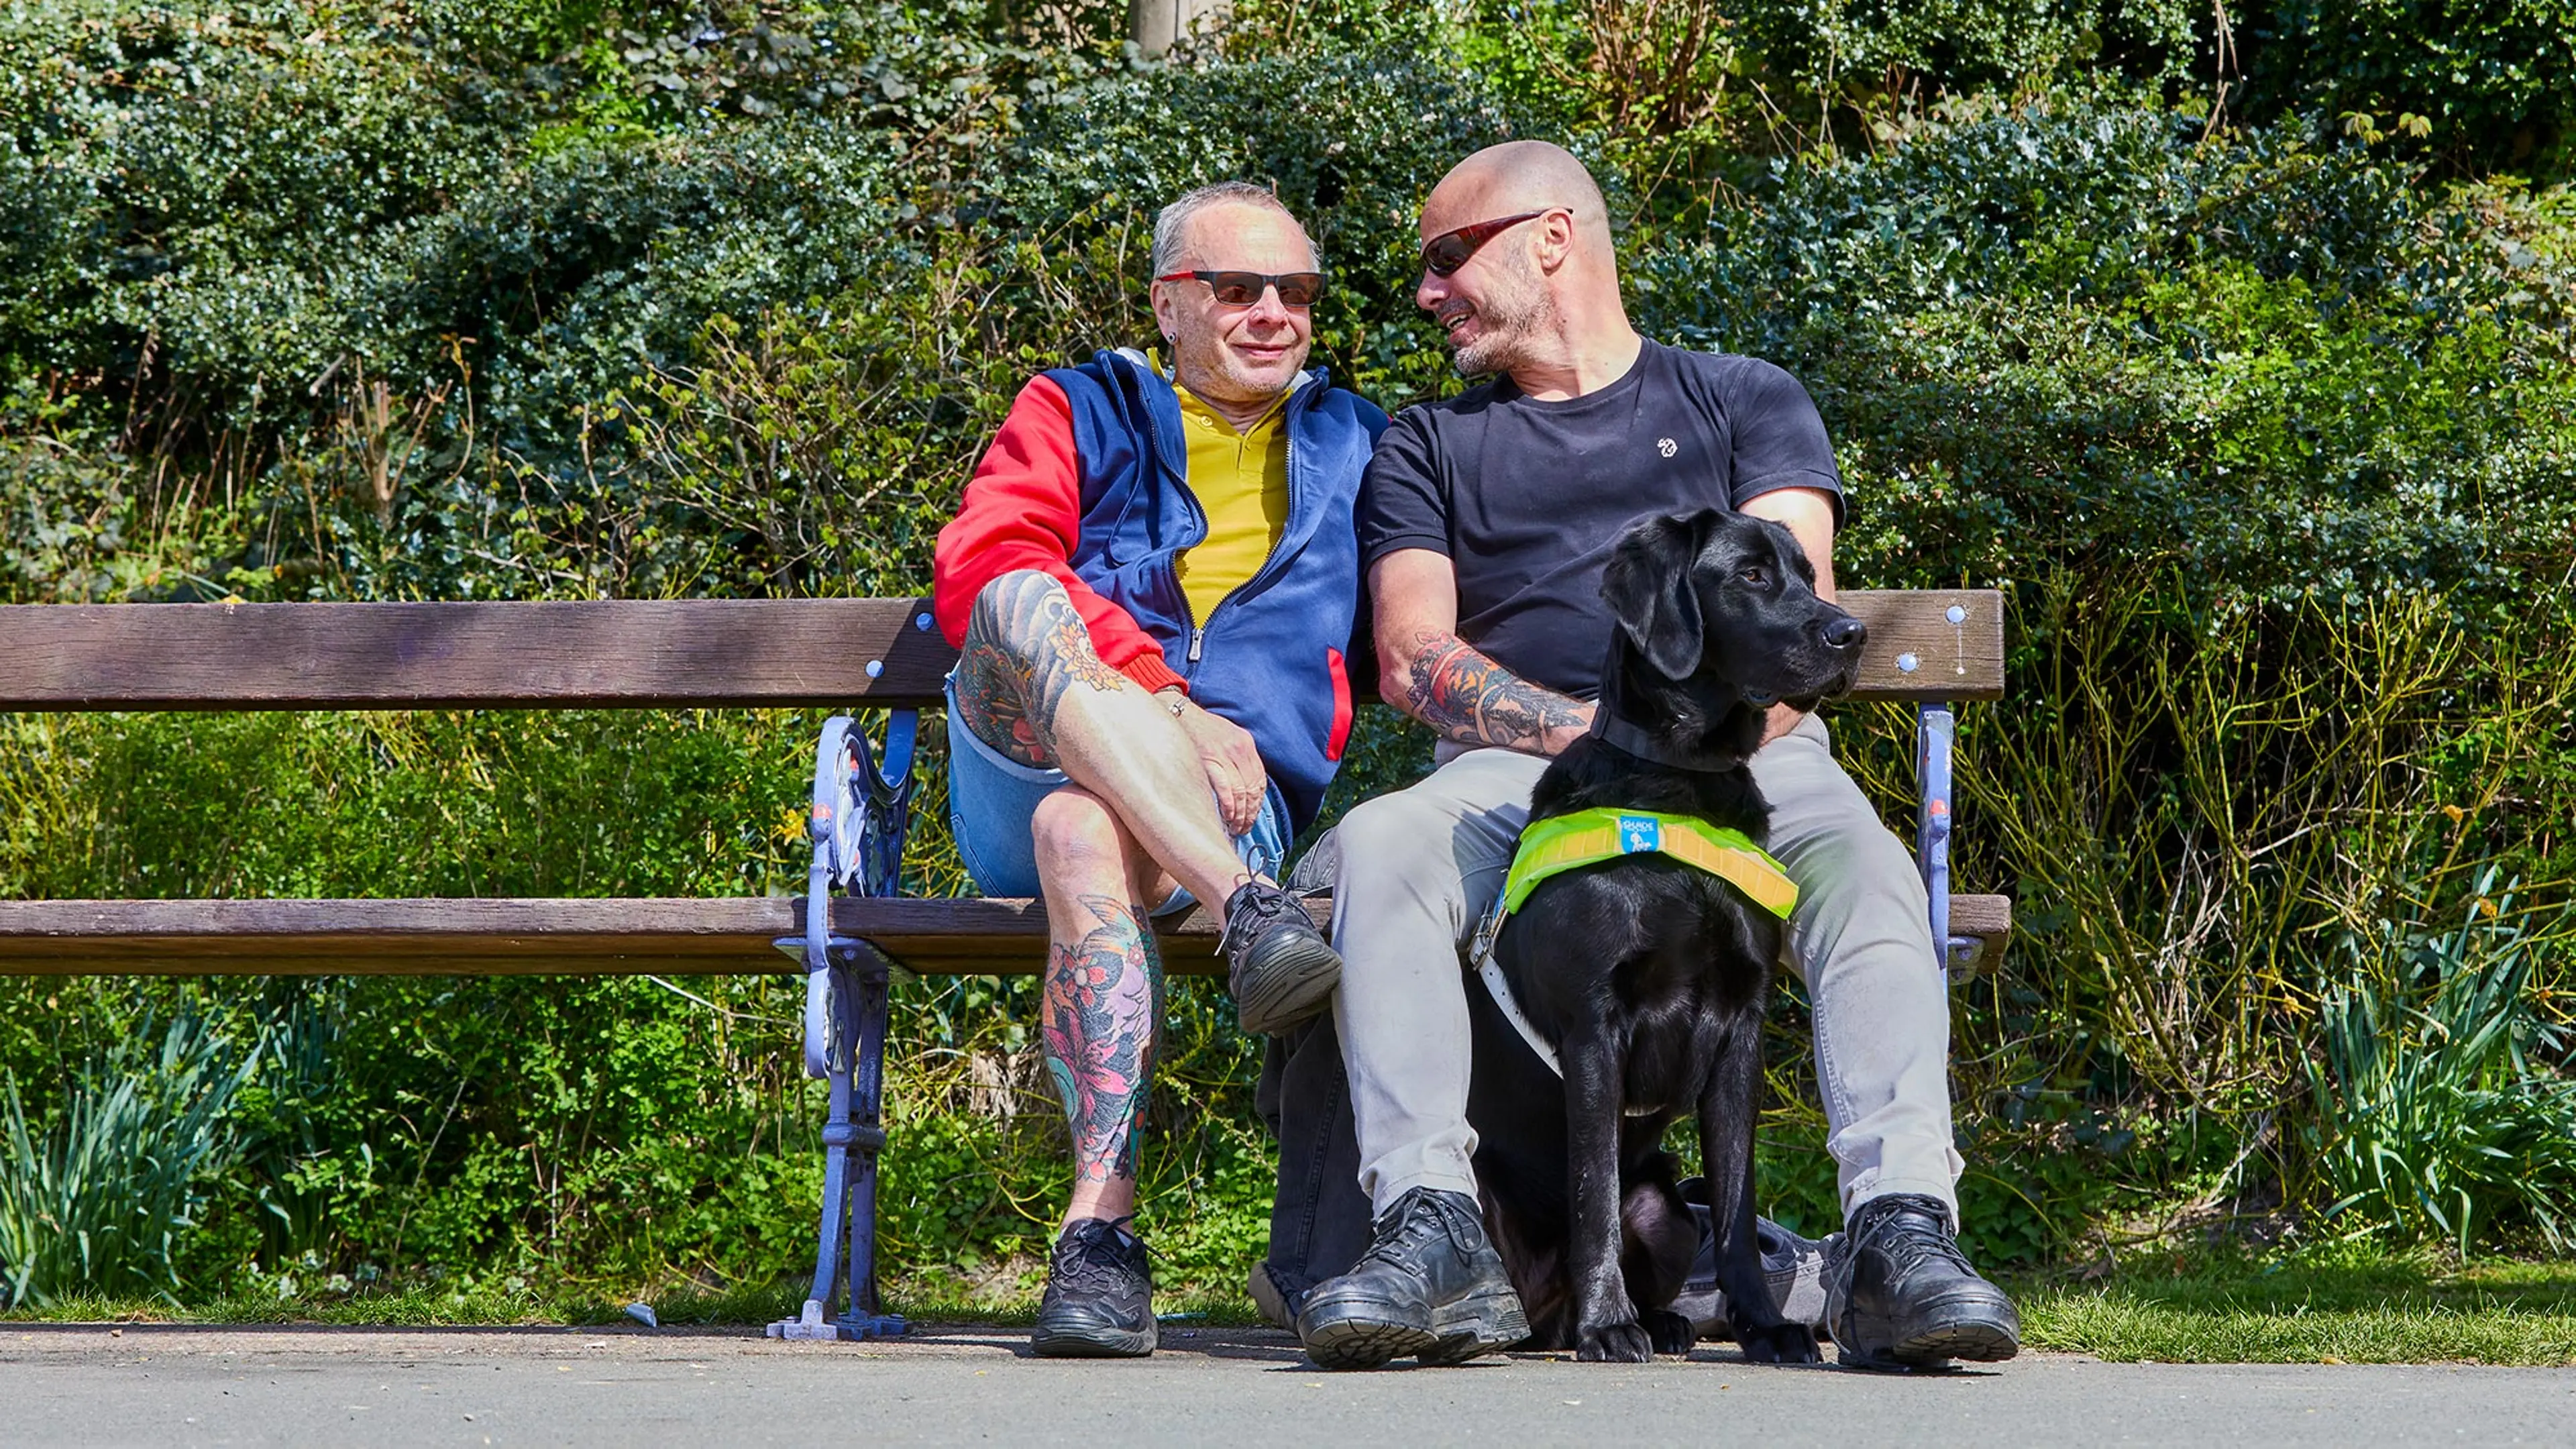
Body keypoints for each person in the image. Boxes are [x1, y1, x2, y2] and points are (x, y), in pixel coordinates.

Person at [1278, 141, 2023, 1372]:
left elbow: (1793, 635)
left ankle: (1899, 1232)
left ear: (1554, 237)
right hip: (1525, 773)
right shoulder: (1429, 445)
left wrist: (1673, 766)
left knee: (1865, 866)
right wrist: (1596, 750)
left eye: (1448, 258)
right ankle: (1433, 1226)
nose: (1426, 292)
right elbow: (1416, 659)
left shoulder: (1742, 398)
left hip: (1746, 764)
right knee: (1384, 839)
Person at [930, 181, 1384, 1358]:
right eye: (1239, 288)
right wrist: (1170, 705)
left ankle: (1098, 1238)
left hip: (1233, 804)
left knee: (1084, 834)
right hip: (1026, 752)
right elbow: (983, 563)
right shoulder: (1076, 409)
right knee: (1024, 594)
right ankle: (1250, 918)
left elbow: (1443, 610)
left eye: (1298, 291)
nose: (1274, 312)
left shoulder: (1359, 444)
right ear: (1169, 305)